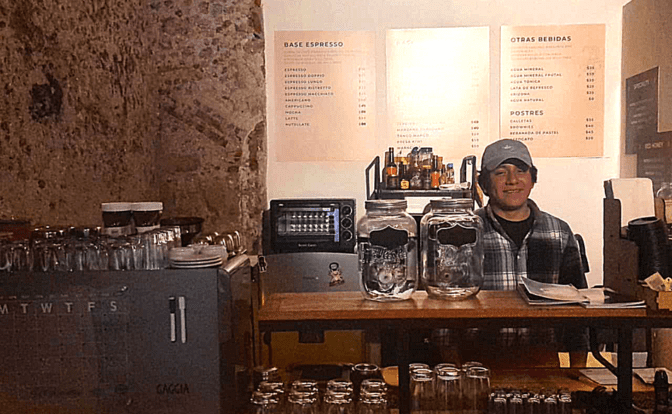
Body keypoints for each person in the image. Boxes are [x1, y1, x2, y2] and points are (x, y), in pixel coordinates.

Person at [462, 138, 588, 367]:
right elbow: (446, 304)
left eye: (521, 171)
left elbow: (577, 307)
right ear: (484, 183)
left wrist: (577, 369)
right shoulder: (466, 232)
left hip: (544, 363)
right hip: (477, 364)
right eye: (501, 173)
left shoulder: (558, 232)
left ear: (532, 179)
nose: (512, 180)